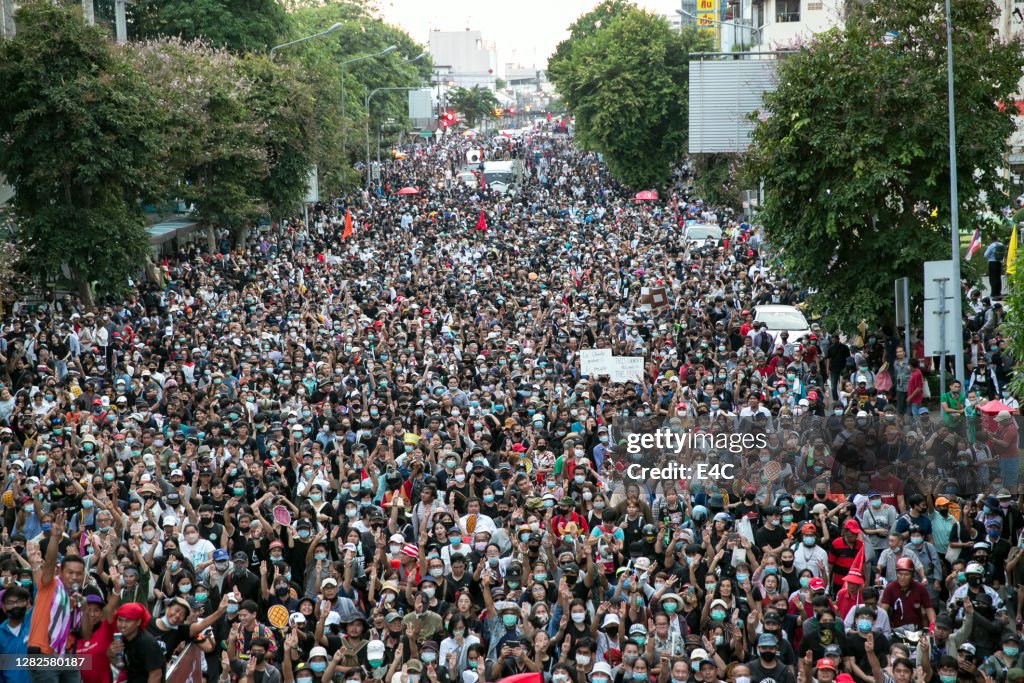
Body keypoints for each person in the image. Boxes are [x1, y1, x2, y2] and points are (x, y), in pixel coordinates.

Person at [26, 509, 84, 683]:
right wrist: (54, 537)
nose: (74, 577)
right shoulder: (49, 585)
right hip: (43, 654)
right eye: (70, 572)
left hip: (66, 655)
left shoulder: (75, 597)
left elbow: (81, 631)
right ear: (60, 572)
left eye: (79, 574)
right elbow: (50, 561)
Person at [108, 603, 165, 683]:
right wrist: (111, 656)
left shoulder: (147, 643)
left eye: (128, 621)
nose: (123, 625)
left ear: (138, 622)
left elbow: (156, 675)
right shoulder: (124, 639)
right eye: (120, 620)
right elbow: (125, 667)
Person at [0, 585, 32, 683]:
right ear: (4, 607)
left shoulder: (36, 625)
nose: (15, 606)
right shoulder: (1, 633)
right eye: (10, 603)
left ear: (27, 604)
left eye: (19, 601)